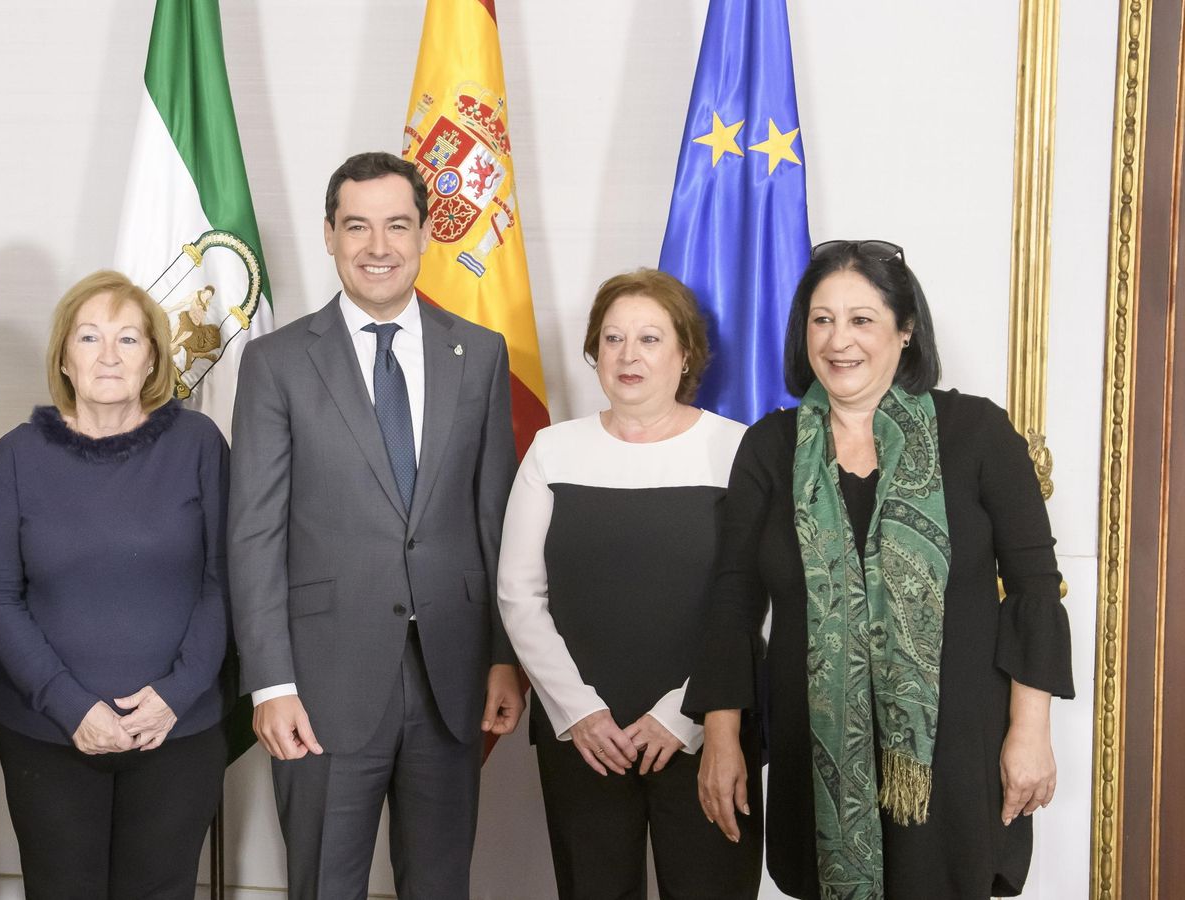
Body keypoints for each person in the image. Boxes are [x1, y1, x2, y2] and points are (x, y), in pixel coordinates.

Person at [686, 240, 1075, 899]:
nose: (840, 340)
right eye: (822, 319)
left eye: (862, 319)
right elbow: (733, 598)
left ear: (905, 329)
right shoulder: (769, 447)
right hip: (817, 764)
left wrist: (1030, 733)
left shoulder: (977, 433)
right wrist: (722, 735)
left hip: (952, 761)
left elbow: (1035, 589)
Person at [228, 151, 525, 899]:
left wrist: (500, 656)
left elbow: (494, 517)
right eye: (357, 226)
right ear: (328, 234)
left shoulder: (481, 354)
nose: (378, 246)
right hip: (322, 686)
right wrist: (270, 684)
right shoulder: (277, 362)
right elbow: (253, 532)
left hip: (450, 679)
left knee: (440, 885)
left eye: (397, 225)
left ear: (425, 233)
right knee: (326, 884)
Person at [497, 268, 762, 899]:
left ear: (685, 353)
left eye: (648, 338)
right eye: (612, 339)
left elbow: (761, 601)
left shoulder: (737, 451)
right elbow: (519, 593)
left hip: (704, 730)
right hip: (586, 737)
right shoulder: (552, 450)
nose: (628, 356)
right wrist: (579, 711)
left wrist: (684, 716)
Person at [0, 270, 229, 900]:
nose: (108, 355)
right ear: (64, 356)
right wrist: (69, 704)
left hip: (178, 729)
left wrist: (178, 692)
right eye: (89, 338)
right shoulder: (16, 456)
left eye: (128, 340)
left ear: (153, 361)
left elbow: (227, 579)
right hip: (48, 733)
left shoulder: (198, 443)